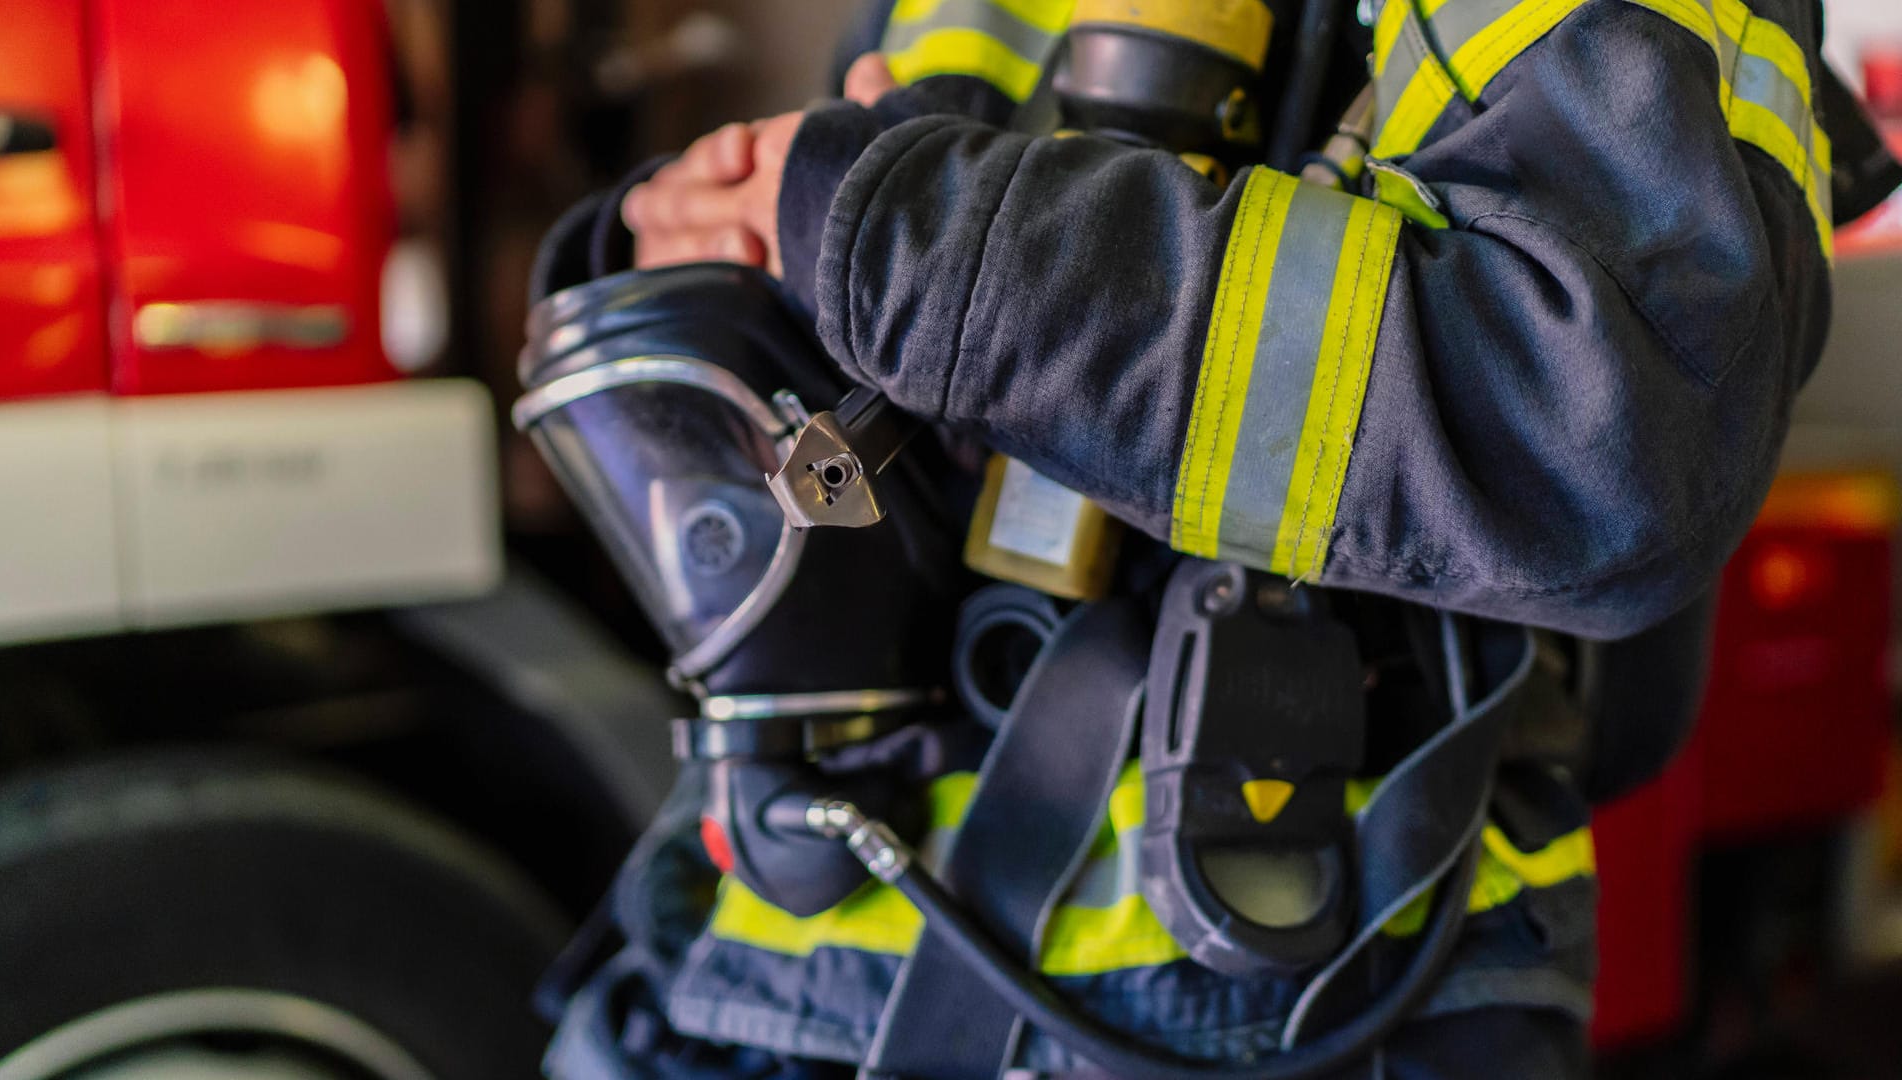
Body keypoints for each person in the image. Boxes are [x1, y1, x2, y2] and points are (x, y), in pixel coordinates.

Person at [540, 0, 1900, 1076]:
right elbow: (896, 319)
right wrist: (687, 252)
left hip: (1281, 974)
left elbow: (1601, 438)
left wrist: (889, 236)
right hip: (778, 944)